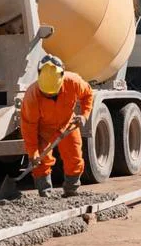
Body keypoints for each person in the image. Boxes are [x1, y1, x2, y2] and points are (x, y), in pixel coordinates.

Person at [19, 54, 93, 197]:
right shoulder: (32, 96)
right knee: (40, 161)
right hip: (43, 130)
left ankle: (72, 190)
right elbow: (28, 126)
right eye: (47, 95)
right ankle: (45, 192)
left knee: (74, 158)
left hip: (66, 124)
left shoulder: (73, 82)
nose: (51, 96)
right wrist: (33, 152)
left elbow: (88, 94)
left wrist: (84, 115)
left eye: (54, 93)